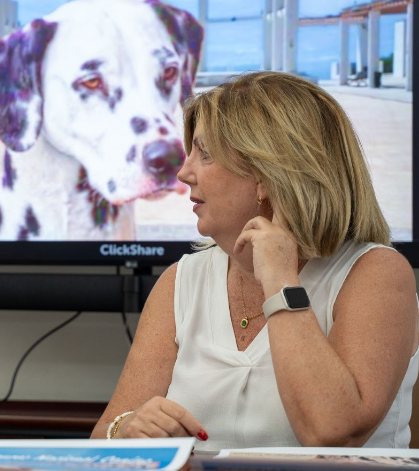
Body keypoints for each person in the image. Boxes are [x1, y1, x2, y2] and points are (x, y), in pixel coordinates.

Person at [93, 71, 418, 449]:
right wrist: (127, 428)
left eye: (205, 154)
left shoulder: (376, 272)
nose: (183, 173)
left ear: (266, 176)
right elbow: (102, 439)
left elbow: (332, 430)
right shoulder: (181, 281)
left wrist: (280, 279)